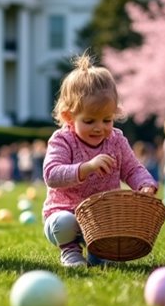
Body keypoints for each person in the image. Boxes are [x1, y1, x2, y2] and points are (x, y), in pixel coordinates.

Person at [42, 55, 157, 268]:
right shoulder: (63, 140)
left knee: (115, 240)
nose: (99, 127)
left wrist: (145, 184)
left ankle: (99, 251)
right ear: (68, 117)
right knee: (64, 223)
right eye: (89, 121)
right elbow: (52, 174)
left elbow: (132, 168)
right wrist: (87, 167)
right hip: (66, 212)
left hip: (103, 217)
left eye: (107, 120)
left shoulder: (116, 139)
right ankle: (71, 251)